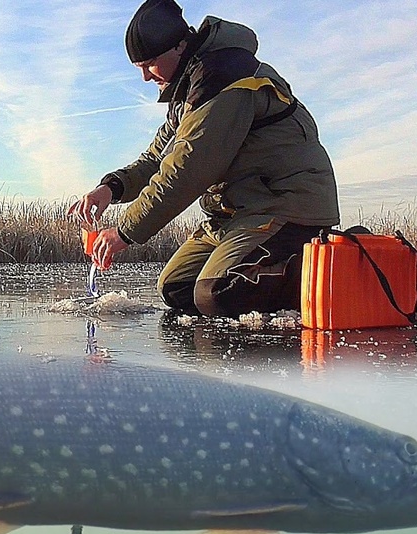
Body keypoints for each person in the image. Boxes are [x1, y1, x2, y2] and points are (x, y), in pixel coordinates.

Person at [68, 0, 340, 317]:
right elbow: (158, 155)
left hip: (286, 207)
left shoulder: (224, 77)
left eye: (150, 63)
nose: (144, 77)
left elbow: (187, 170)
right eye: (138, 67)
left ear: (180, 46)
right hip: (238, 214)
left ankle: (327, 270)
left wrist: (126, 231)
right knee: (176, 288)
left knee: (217, 293)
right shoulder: (189, 90)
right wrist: (111, 188)